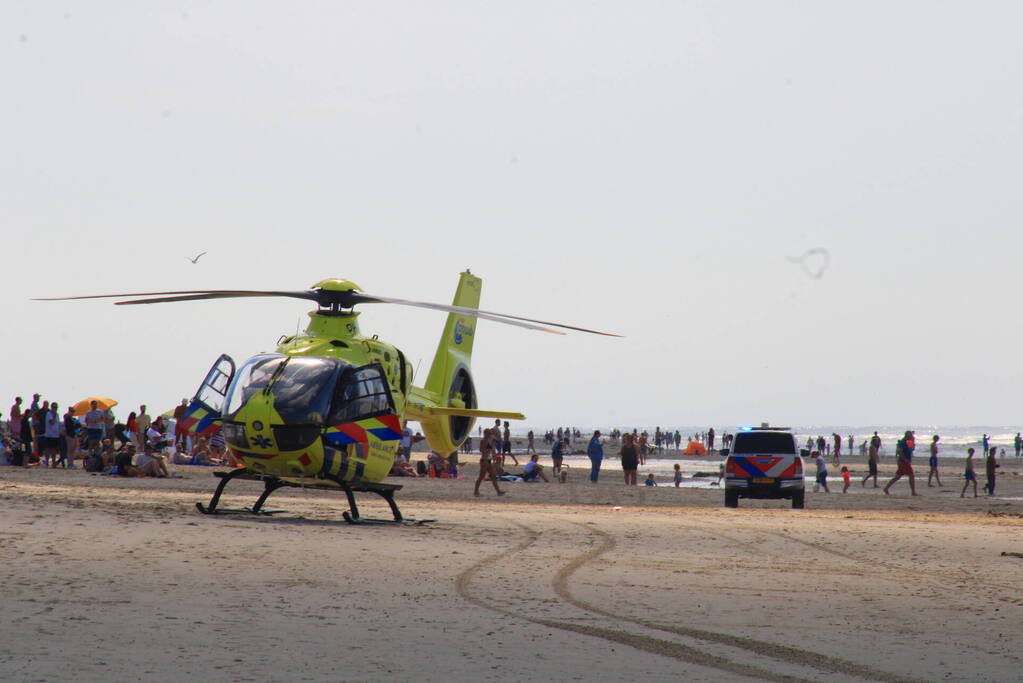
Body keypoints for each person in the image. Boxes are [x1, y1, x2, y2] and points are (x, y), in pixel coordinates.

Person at [883, 430, 918, 496]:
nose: (911, 437)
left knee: (898, 476)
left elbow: (912, 449)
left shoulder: (909, 441)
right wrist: (904, 459)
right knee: (911, 475)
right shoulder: (902, 442)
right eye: (910, 436)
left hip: (905, 461)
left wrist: (913, 441)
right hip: (903, 461)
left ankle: (886, 488)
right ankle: (913, 492)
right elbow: (900, 452)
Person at [473, 428, 504, 497]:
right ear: (486, 434)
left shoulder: (489, 440)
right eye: (489, 433)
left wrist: (494, 455)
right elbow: (481, 450)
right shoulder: (483, 441)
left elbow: (493, 449)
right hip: (484, 461)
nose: (490, 435)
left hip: (488, 461)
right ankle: (475, 491)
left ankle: (498, 491)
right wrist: (488, 450)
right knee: (481, 477)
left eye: (490, 433)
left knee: (493, 476)